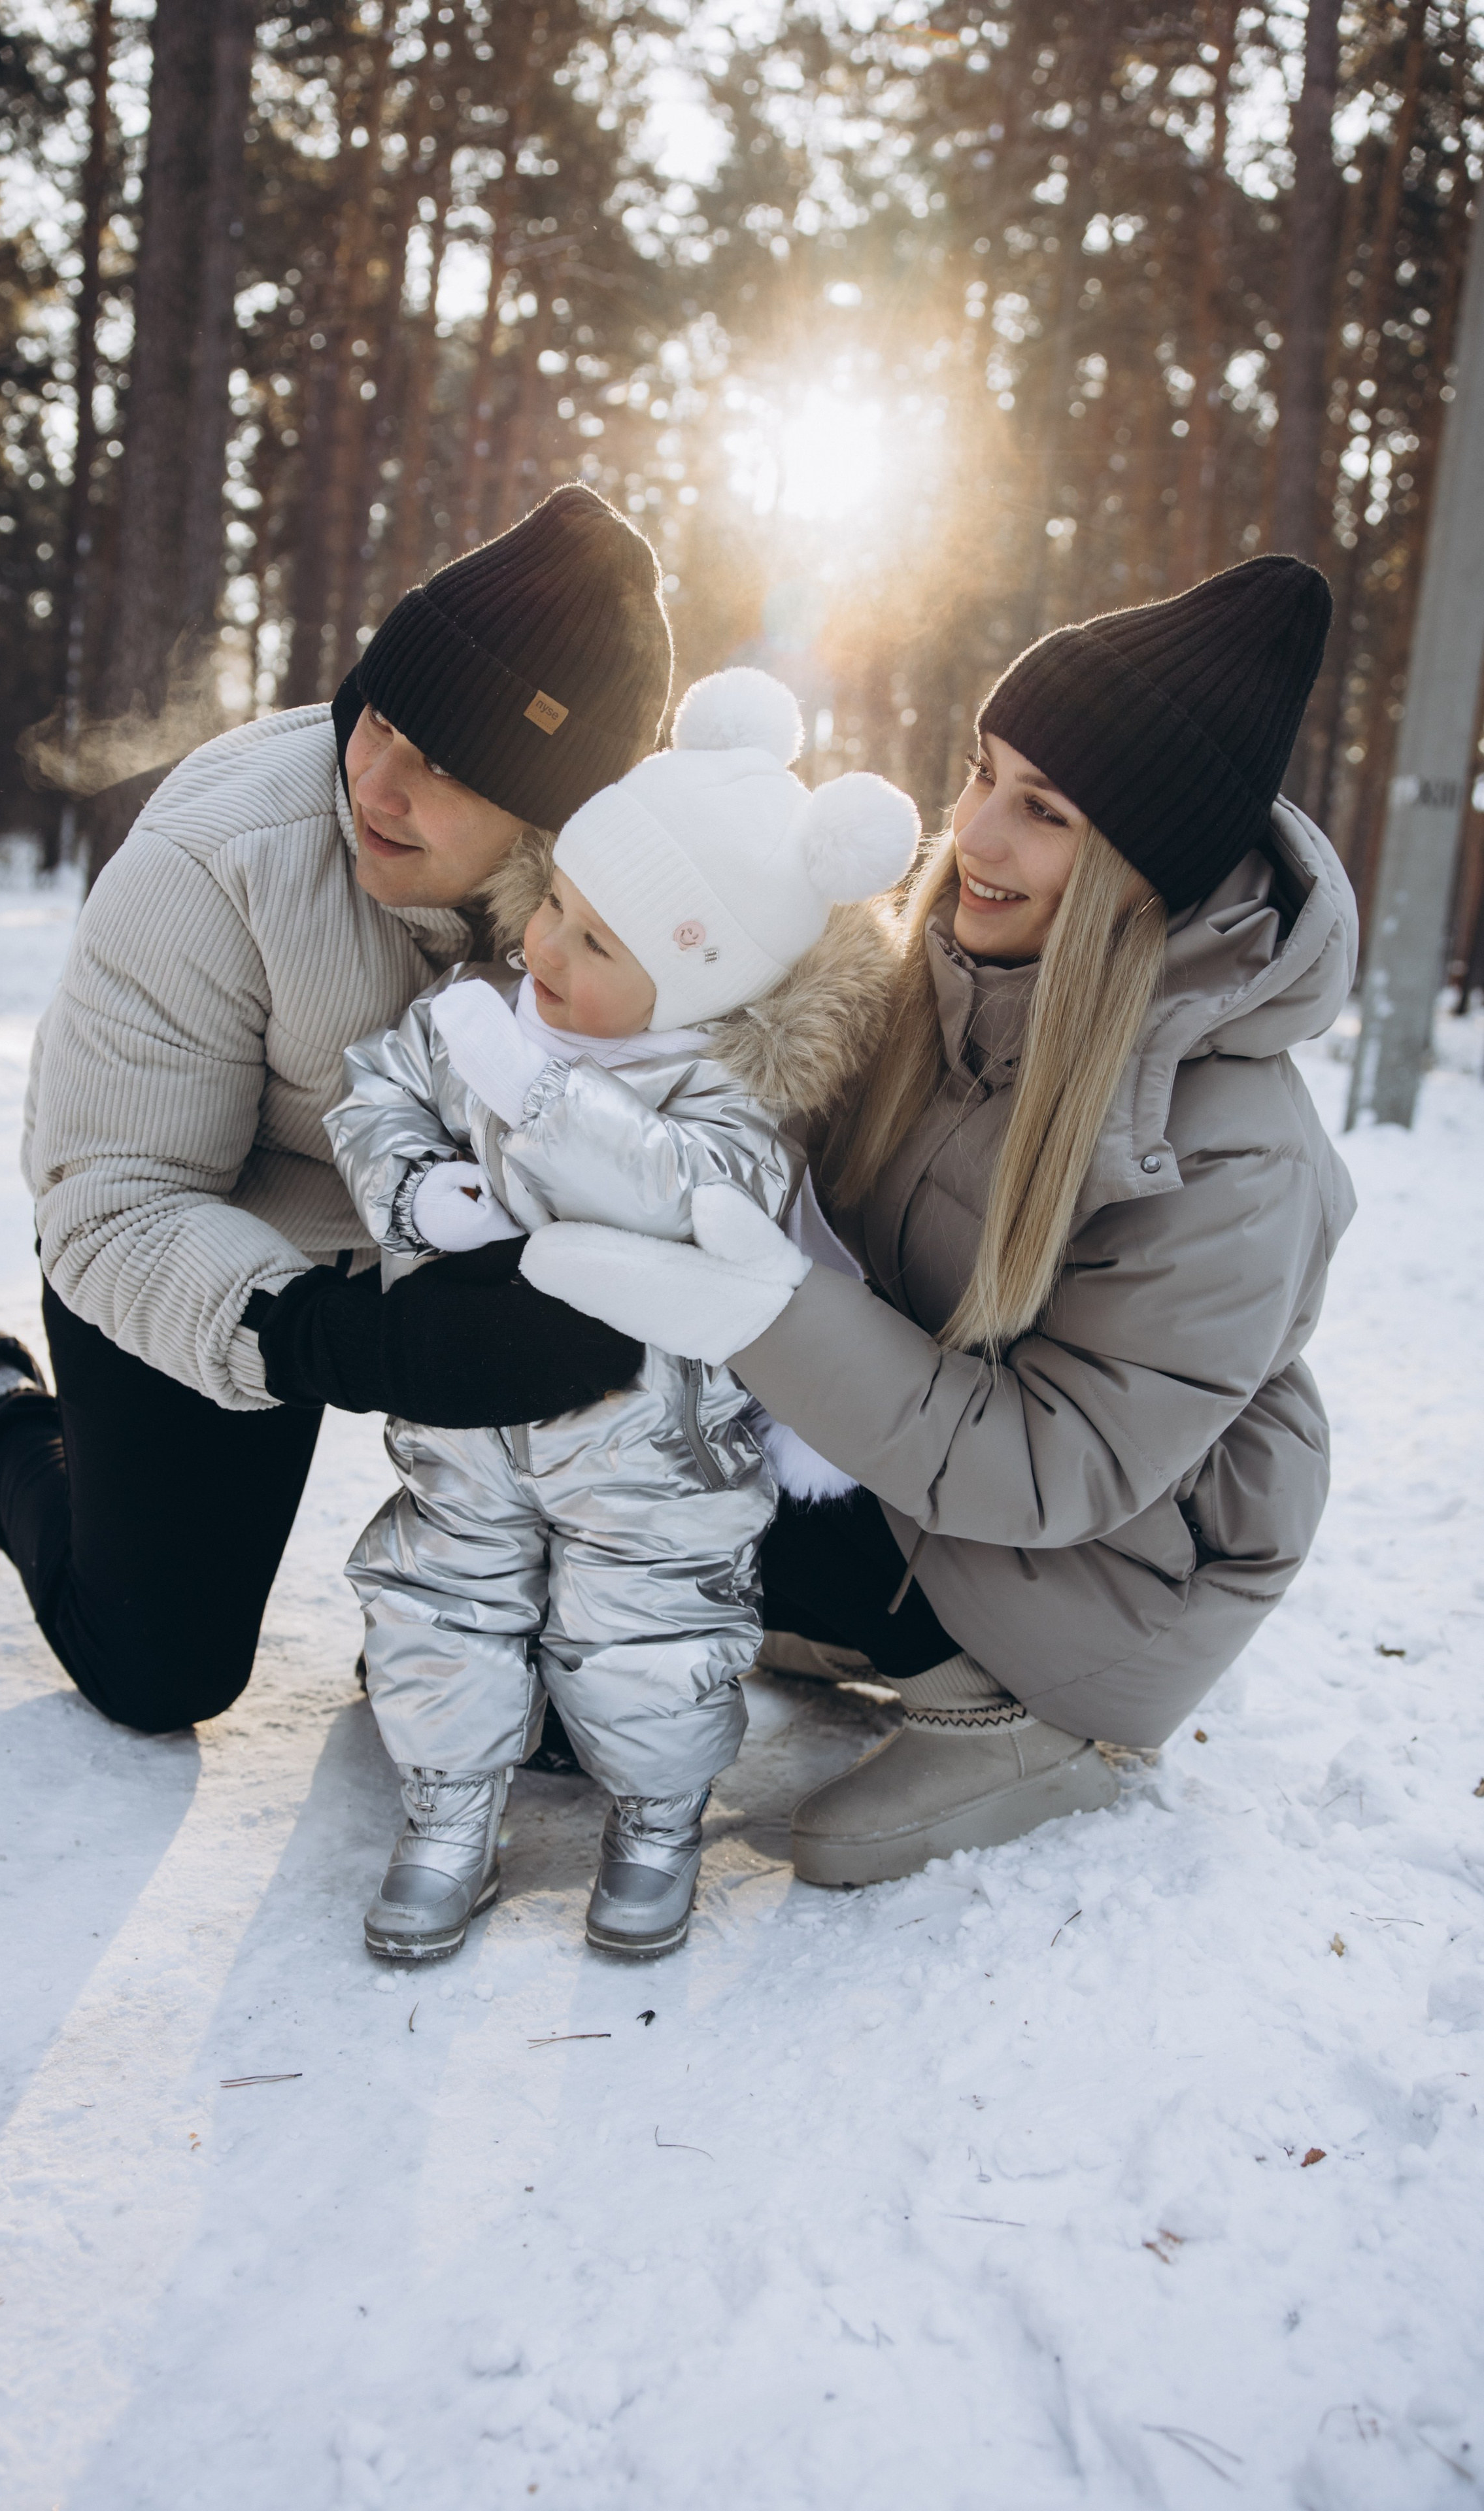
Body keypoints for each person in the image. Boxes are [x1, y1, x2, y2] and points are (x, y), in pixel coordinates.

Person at [522, 555, 1358, 1883]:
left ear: (1145, 867)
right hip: (904, 1483)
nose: (971, 833)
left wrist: (767, 1313)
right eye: (979, 773)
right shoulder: (945, 979)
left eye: (1043, 811)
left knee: (821, 1842)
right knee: (566, 1579)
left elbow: (1053, 1467)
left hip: (1096, 1586)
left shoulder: (1231, 1154)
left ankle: (1024, 1725)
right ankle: (815, 1615)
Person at [0, 488, 672, 1734]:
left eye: (450, 767)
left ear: (559, 820)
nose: (382, 781)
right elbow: (110, 1201)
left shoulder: (640, 904)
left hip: (458, 1238)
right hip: (212, 1237)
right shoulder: (218, 856)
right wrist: (342, 1341)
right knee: (161, 1669)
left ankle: (453, 1615)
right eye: (385, 721)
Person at [324, 669, 917, 1960]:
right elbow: (373, 1098)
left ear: (704, 986)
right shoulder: (487, 1019)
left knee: (653, 1634)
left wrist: (533, 1104)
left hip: (654, 1456)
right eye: (553, 908)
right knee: (439, 1601)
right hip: (468, 1432)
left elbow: (683, 1194)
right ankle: (445, 1808)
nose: (541, 950)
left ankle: (654, 1815)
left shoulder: (726, 1098)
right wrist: (423, 1194)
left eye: (596, 945)